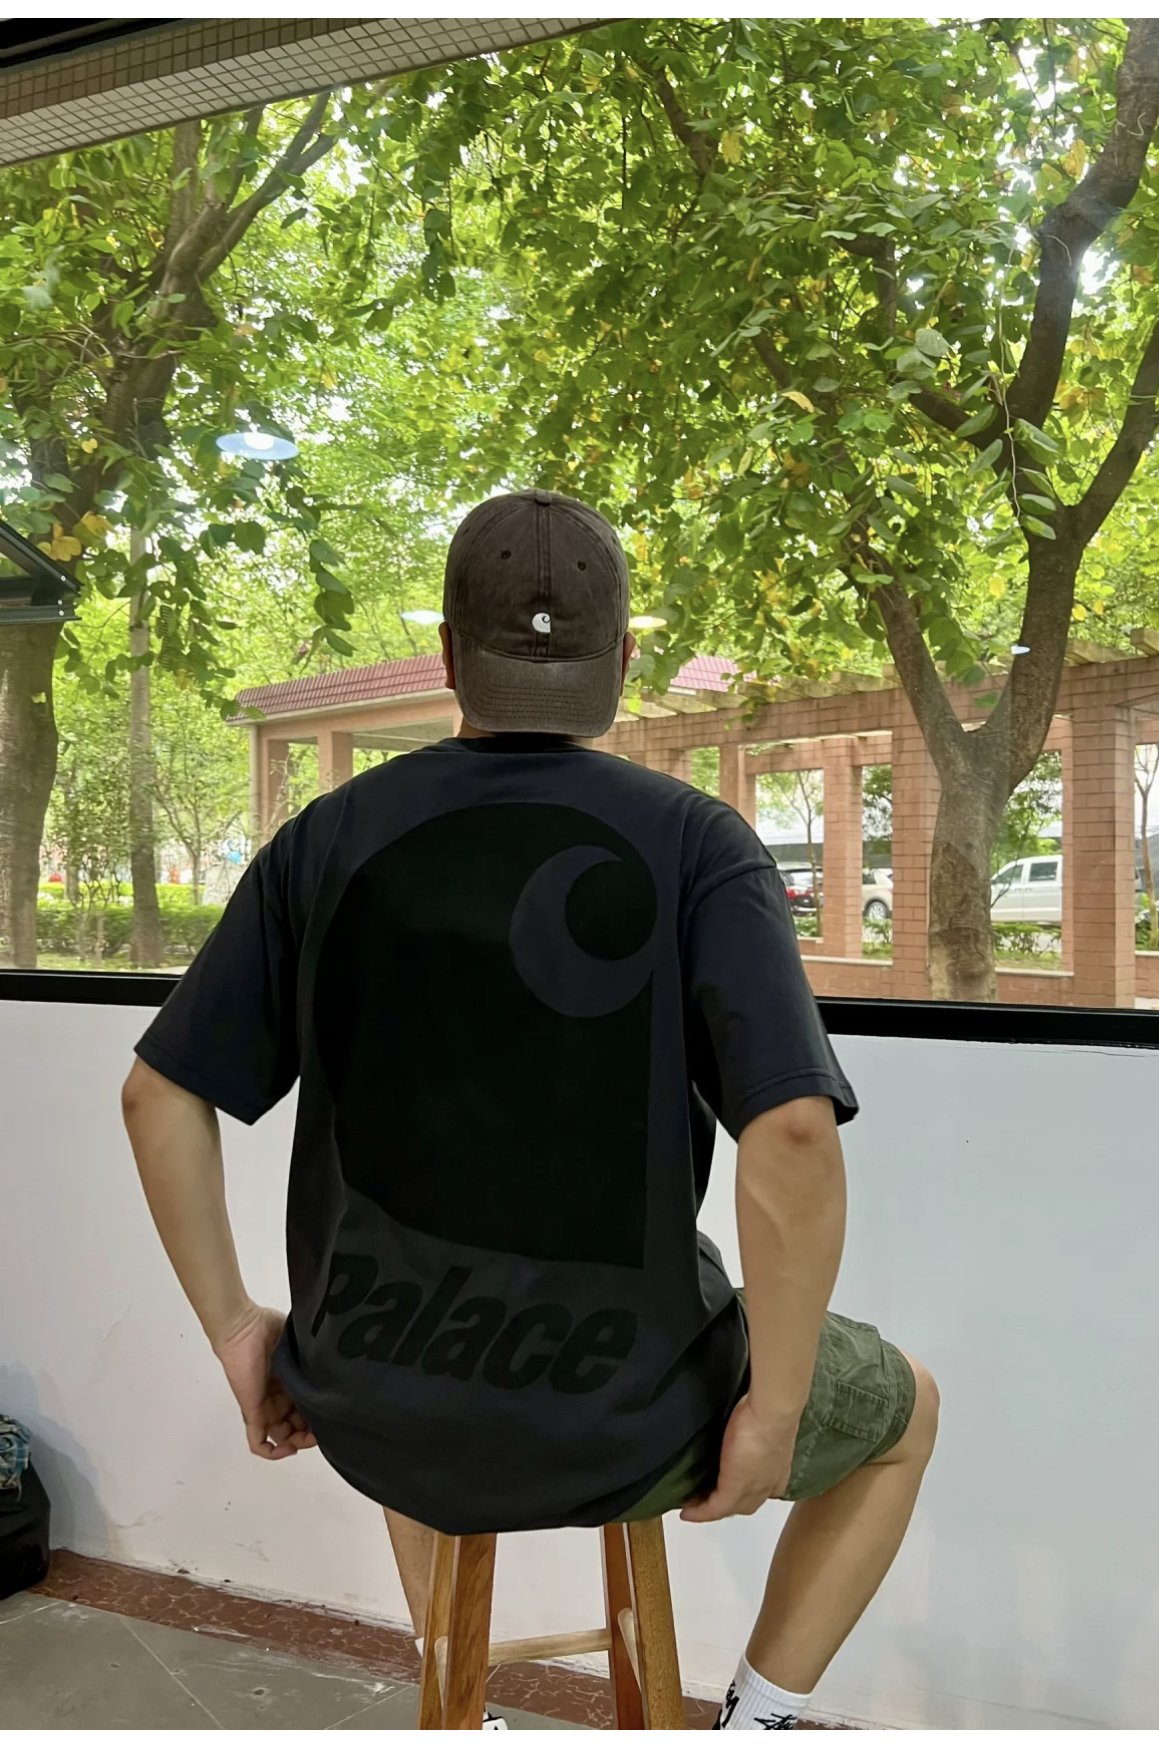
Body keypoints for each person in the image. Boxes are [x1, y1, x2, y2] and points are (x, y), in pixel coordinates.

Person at [122, 489, 939, 1731]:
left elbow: (158, 1092)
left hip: (367, 1394)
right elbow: (789, 1132)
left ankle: (466, 1710)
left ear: (450, 658)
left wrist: (242, 1334)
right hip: (628, 1414)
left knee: (415, 1362)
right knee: (907, 1412)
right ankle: (759, 1717)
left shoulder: (324, 840)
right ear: (625, 662)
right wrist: (772, 1416)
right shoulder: (699, 844)